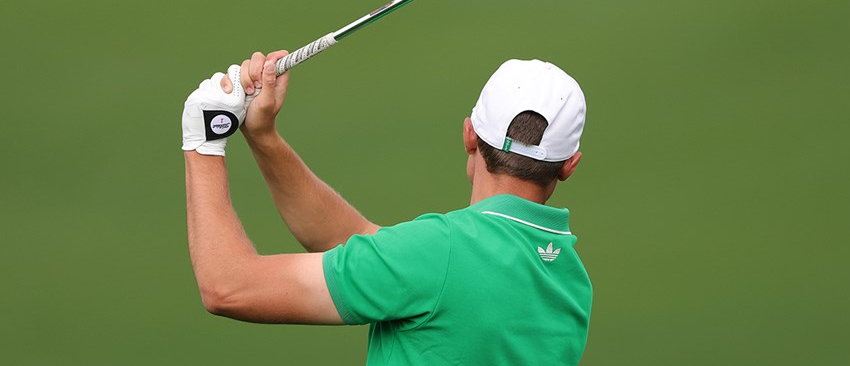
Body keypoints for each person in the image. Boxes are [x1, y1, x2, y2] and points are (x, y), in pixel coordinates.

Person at [182, 50, 593, 364]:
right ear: (569, 166)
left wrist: (205, 139)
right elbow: (360, 246)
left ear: (469, 134)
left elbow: (227, 287)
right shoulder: (570, 281)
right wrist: (264, 138)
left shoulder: (437, 254)